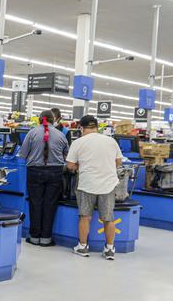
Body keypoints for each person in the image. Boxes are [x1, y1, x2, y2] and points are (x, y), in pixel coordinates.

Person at [66, 115, 123, 260]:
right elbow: (118, 162)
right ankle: (110, 249)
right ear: (97, 127)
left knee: (85, 216)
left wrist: (82, 166)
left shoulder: (78, 142)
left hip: (87, 183)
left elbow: (70, 166)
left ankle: (83, 247)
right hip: (108, 184)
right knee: (108, 218)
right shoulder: (111, 141)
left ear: (81, 128)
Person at [19, 110, 69, 246]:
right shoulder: (61, 135)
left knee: (35, 203)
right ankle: (46, 238)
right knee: (50, 204)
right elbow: (67, 155)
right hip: (55, 172)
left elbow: (22, 154)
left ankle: (34, 237)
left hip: (34, 171)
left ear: (39, 119)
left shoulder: (32, 133)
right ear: (54, 121)